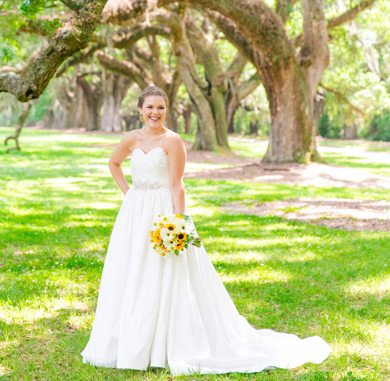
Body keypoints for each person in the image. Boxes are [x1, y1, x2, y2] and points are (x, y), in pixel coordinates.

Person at [80, 85, 331, 375]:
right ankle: (130, 341)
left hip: (163, 211)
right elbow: (114, 163)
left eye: (161, 107)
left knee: (164, 272)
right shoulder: (131, 139)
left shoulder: (172, 141)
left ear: (167, 110)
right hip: (134, 213)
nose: (155, 113)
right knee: (133, 269)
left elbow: (176, 184)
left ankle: (163, 344)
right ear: (140, 110)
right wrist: (129, 192)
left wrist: (178, 222)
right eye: (150, 107)